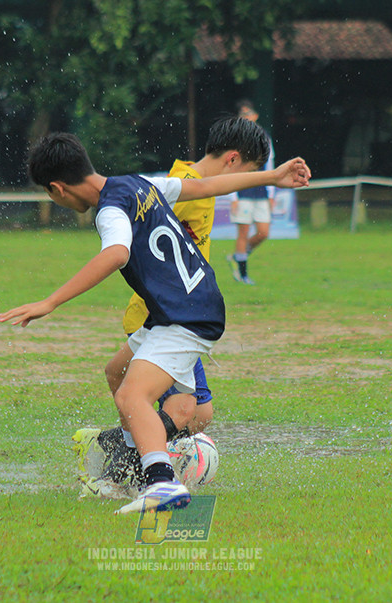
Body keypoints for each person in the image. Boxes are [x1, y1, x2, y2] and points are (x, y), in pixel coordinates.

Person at [0, 129, 310, 514]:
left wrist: (50, 301)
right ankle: (131, 465)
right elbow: (207, 185)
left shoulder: (110, 209)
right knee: (117, 371)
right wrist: (271, 176)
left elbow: (115, 254)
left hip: (185, 316)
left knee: (133, 395)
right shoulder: (138, 183)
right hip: (182, 309)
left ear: (57, 189)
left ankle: (160, 482)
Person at [72, 118, 268, 497]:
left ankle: (121, 451)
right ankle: (128, 459)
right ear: (233, 160)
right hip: (164, 316)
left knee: (162, 399)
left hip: (174, 312)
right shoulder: (184, 186)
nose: (244, 180)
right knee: (190, 413)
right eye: (250, 170)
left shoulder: (197, 185)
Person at [227, 100, 276, 285]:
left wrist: (271, 193)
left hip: (261, 190)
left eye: (249, 114)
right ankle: (242, 273)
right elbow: (230, 168)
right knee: (243, 232)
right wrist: (232, 197)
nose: (247, 118)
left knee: (263, 232)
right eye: (243, 115)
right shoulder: (234, 140)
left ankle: (238, 256)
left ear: (255, 116)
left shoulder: (264, 137)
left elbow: (270, 165)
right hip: (242, 191)